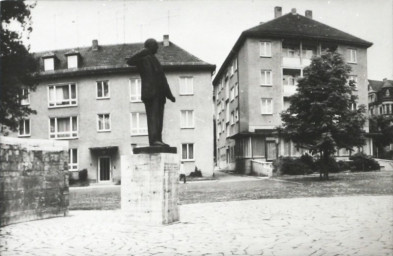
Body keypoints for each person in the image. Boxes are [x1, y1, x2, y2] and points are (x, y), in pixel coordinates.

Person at [126, 38, 176, 147]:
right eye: (156, 46)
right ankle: (153, 140)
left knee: (159, 119)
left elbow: (163, 80)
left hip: (160, 95)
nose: (158, 48)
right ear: (150, 47)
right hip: (150, 93)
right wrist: (145, 50)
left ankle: (158, 139)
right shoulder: (143, 58)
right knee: (153, 117)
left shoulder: (155, 60)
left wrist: (170, 95)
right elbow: (130, 61)